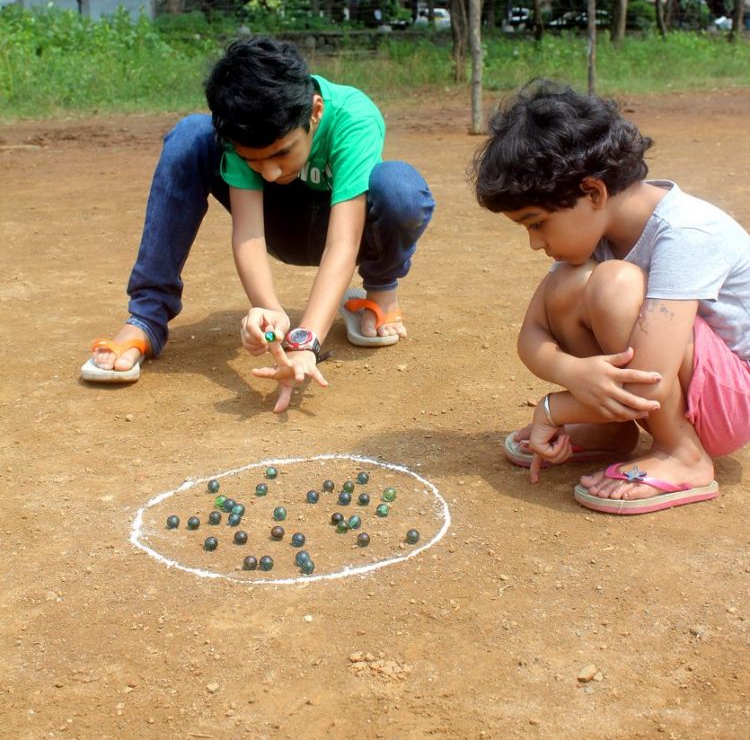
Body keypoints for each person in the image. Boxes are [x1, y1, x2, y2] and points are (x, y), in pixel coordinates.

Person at [80, 36, 435, 412]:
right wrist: (271, 313)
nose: (269, 171)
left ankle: (377, 293)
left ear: (315, 112)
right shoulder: (241, 132)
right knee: (189, 136)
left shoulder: (353, 116)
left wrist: (305, 342)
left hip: (344, 229)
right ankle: (147, 317)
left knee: (400, 189)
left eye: (282, 152)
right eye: (254, 160)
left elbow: (343, 244)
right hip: (277, 226)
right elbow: (249, 233)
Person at [472, 80, 750, 514]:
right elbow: (535, 330)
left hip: (729, 402)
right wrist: (572, 371)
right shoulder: (596, 233)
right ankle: (610, 432)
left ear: (594, 192)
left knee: (612, 284)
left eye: (538, 223)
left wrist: (555, 407)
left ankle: (683, 453)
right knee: (567, 284)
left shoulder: (686, 233)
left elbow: (651, 375)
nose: (534, 243)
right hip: (660, 387)